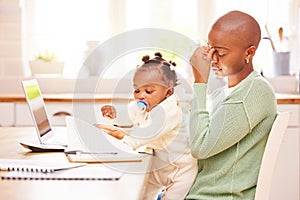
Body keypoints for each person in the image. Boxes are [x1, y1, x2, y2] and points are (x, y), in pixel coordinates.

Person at [185, 10, 277, 200]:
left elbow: (200, 147)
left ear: (249, 52)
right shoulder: (227, 92)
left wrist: (200, 82)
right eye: (210, 50)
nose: (213, 59)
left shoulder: (251, 92)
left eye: (221, 53)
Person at [96, 52, 198, 200]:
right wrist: (115, 113)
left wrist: (125, 137)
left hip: (180, 172)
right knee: (141, 191)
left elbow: (148, 133)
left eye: (148, 91)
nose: (141, 95)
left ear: (168, 92)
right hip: (158, 165)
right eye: (137, 90)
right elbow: (130, 111)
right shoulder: (144, 105)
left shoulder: (171, 110)